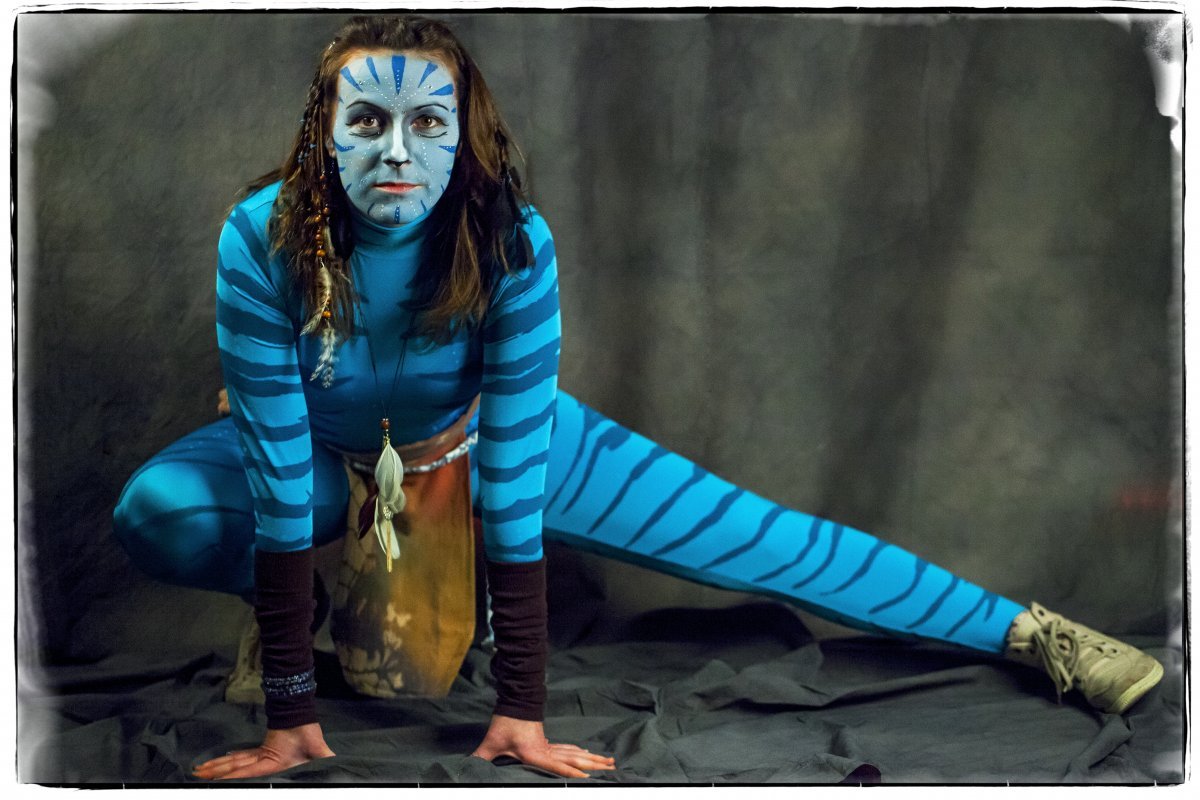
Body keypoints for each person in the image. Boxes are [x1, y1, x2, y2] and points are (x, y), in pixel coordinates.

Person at [112, 14, 1165, 782]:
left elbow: (513, 493)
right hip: (315, 457)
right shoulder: (260, 235)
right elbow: (275, 474)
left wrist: (521, 711)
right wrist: (290, 712)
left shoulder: (511, 239)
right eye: (368, 120)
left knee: (770, 540)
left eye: (429, 121)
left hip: (486, 444)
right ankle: (308, 604)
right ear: (324, 133)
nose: (396, 151)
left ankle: (1027, 632)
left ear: (463, 134)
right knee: (165, 510)